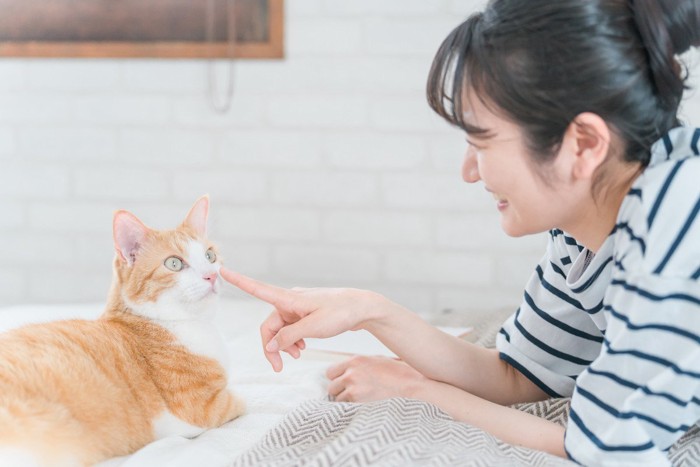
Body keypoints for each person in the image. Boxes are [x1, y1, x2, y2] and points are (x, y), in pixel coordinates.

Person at [220, 0, 700, 464]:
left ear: (584, 144)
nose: (470, 172)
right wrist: (366, 310)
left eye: (480, 142)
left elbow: (606, 448)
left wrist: (418, 391)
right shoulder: (584, 231)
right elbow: (519, 373)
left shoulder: (673, 224)